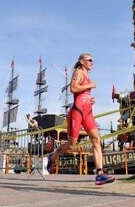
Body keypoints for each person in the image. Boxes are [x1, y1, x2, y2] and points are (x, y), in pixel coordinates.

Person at [46, 53, 115, 185]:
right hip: (77, 111)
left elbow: (83, 94)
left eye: (93, 60)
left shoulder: (88, 76)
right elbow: (73, 88)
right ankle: (52, 156)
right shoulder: (78, 72)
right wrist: (90, 86)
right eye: (89, 60)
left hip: (88, 111)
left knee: (96, 139)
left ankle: (100, 173)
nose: (92, 62)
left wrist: (90, 99)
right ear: (82, 61)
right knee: (72, 144)